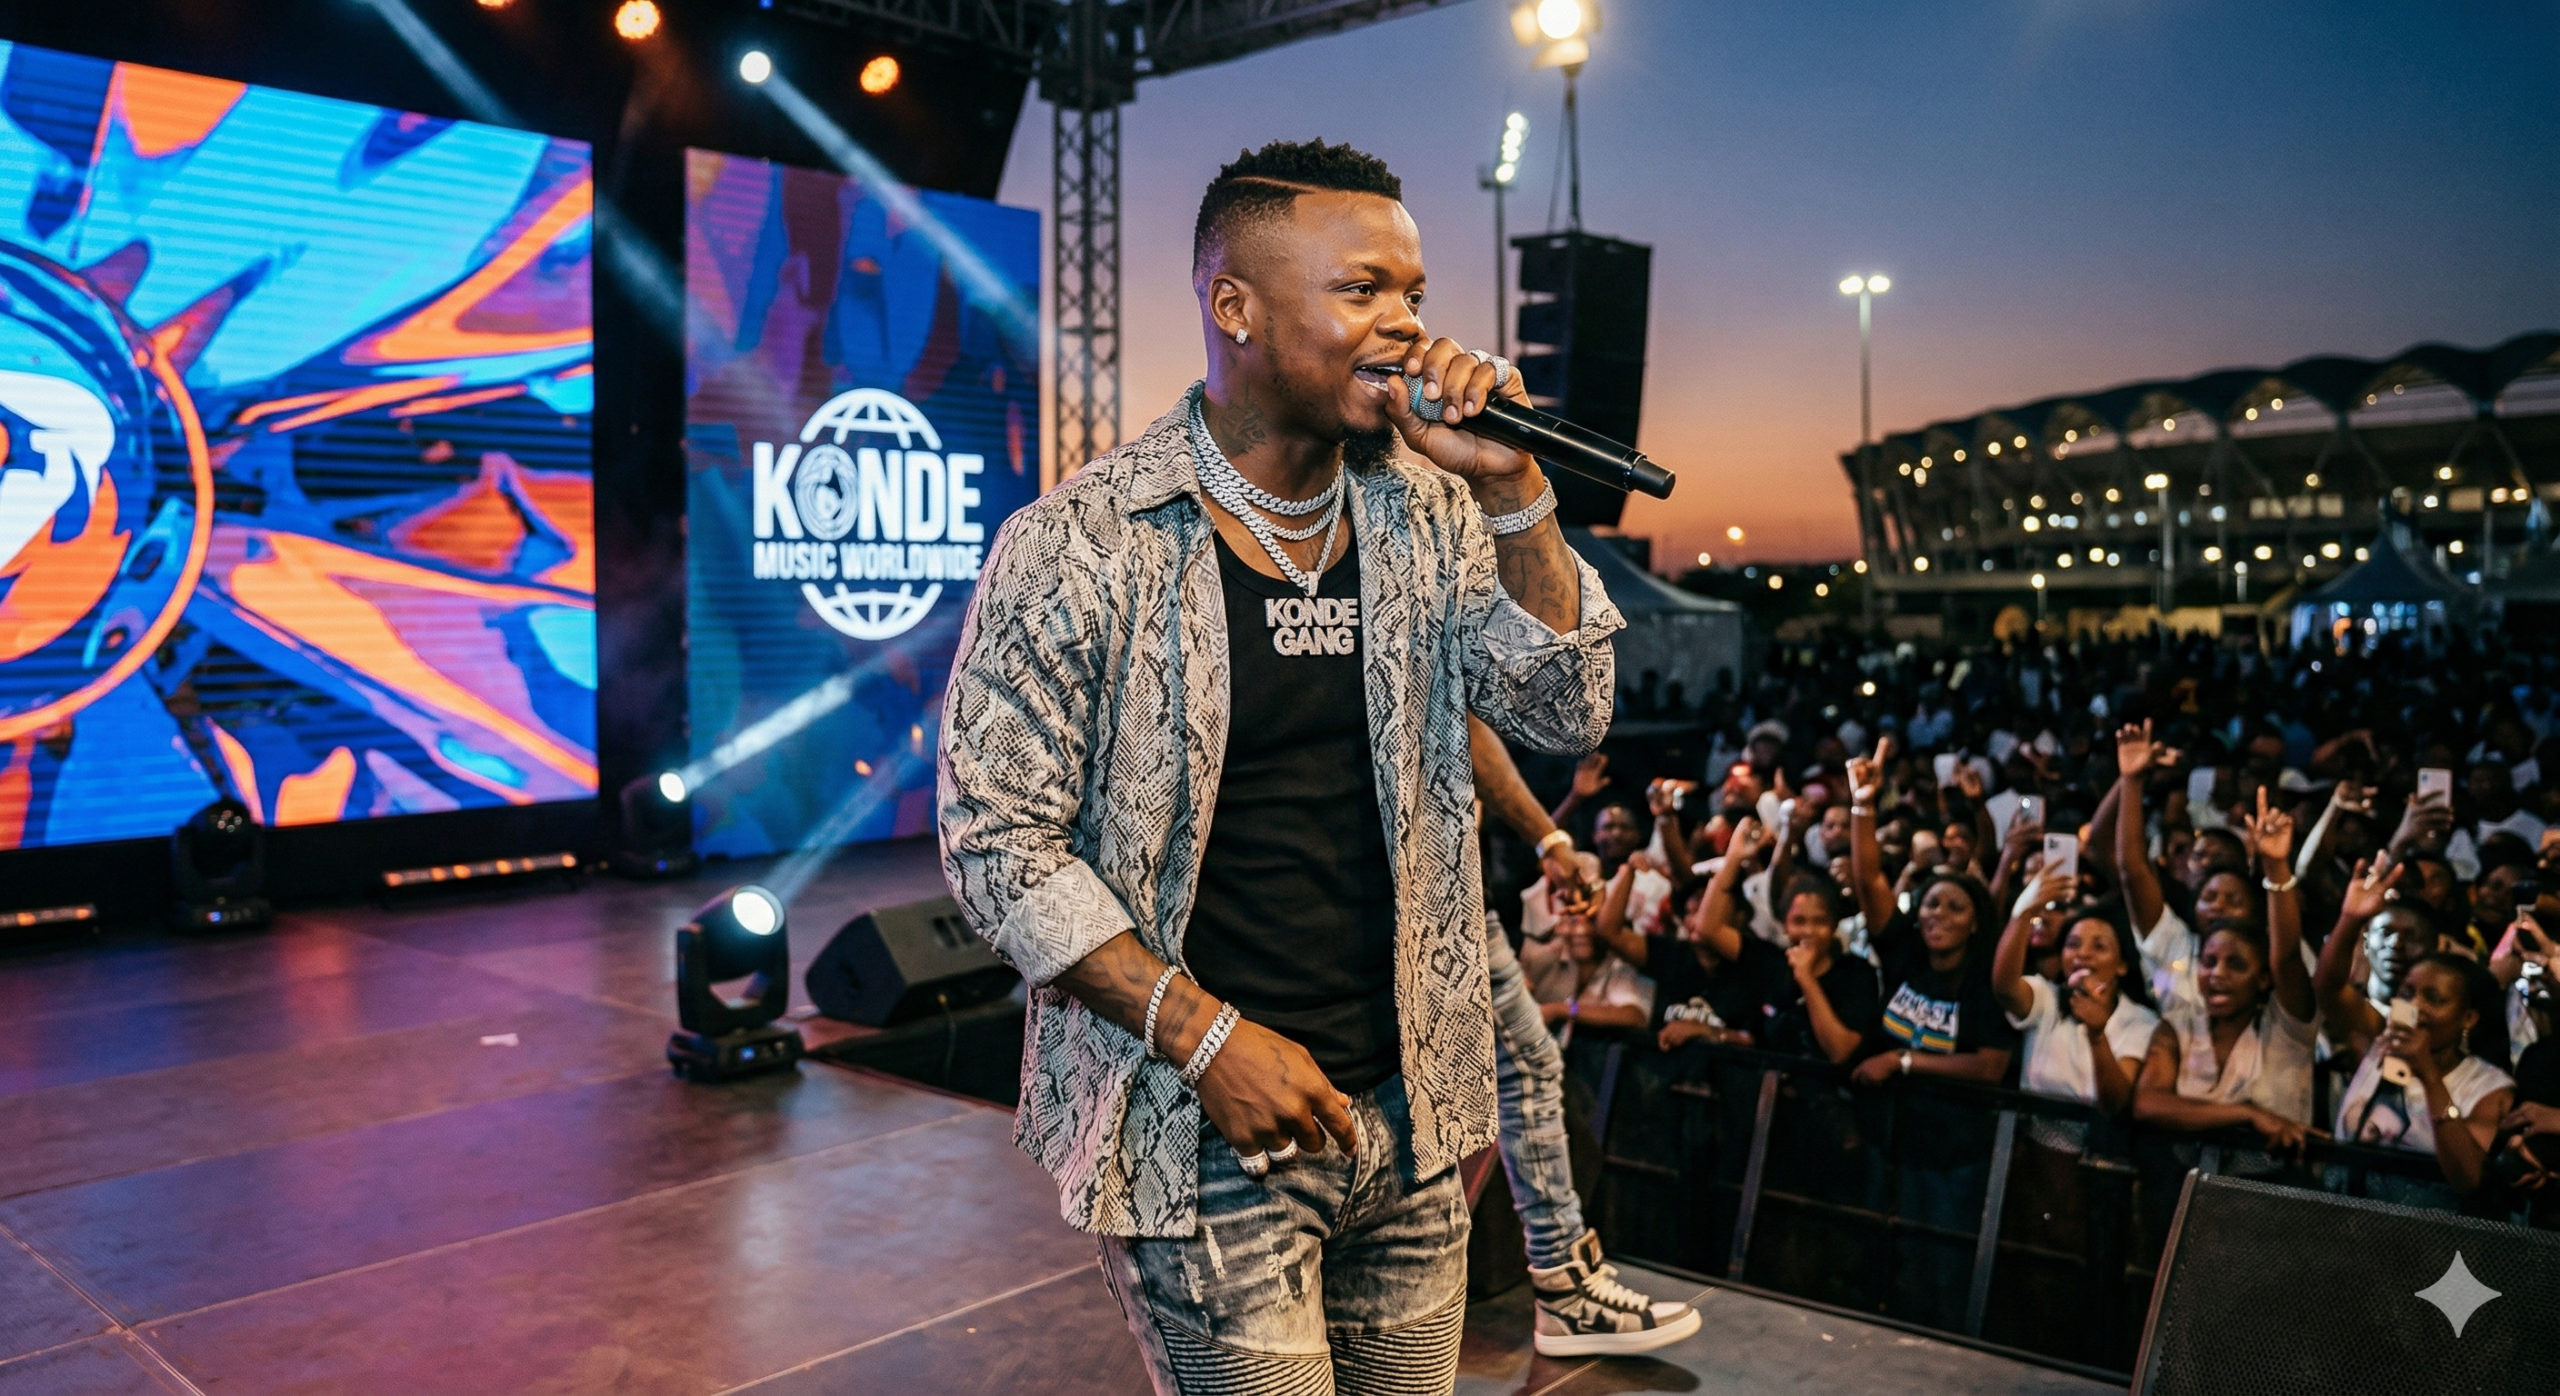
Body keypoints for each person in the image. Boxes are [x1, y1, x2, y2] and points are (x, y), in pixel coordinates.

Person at [937, 139, 1621, 1395]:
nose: (1407, 325)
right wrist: (1206, 1040)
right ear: (1235, 306)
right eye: (1362, 290)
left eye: (1412, 293)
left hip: (1414, 1125)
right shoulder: (1083, 543)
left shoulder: (1433, 511)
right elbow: (994, 846)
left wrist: (1516, 486)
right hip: (1206, 1139)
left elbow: (1565, 709)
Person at [1467, 718, 1700, 1355]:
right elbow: (1468, 724)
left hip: (1439, 896)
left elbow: (1466, 728)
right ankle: (1563, 1287)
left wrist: (1550, 839)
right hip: (1419, 897)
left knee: (1522, 1064)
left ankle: (1562, 1284)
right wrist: (1549, 838)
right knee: (1521, 1067)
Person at [1845, 744, 2019, 1330]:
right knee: (1886, 1263)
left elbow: (1990, 1065)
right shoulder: (1906, 956)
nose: (1936, 914)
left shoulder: (1984, 981)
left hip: (1953, 1155)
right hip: (1891, 1141)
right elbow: (1868, 880)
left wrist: (1903, 1061)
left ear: (1976, 922)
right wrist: (1864, 804)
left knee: (1945, 1272)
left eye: (1953, 907)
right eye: (1929, 904)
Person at [2131, 790, 2319, 1178]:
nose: (2217, 974)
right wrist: (2247, 1115)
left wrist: (2275, 866)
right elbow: (2147, 1104)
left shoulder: (2288, 1029)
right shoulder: (2179, 1025)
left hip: (2270, 1188)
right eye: (2209, 962)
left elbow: (2286, 958)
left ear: (2263, 978)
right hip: (2189, 1184)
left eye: (2236, 964)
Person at [2313, 859, 2515, 1209]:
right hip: (2341, 1217)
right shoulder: (2381, 1039)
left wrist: (2429, 1077)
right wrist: (2350, 919)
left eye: (2433, 998)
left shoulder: (2489, 1087)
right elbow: (2328, 989)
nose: (2415, 1006)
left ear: (2468, 1018)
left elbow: (2468, 1179)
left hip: (2421, 1233)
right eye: (2407, 993)